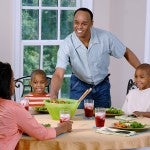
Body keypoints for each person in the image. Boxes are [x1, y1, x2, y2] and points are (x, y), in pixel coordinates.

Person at [50, 7, 141, 109]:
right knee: (78, 119)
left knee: (103, 118)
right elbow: (58, 74)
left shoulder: (105, 37)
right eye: (76, 22)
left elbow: (125, 52)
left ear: (91, 24)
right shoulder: (67, 44)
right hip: (79, 85)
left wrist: (143, 71)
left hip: (102, 85)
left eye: (84, 23)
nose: (79, 26)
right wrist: (53, 94)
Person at [0, 61, 73, 150]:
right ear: (5, 83)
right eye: (12, 79)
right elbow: (42, 133)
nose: (14, 84)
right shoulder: (13, 108)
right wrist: (63, 128)